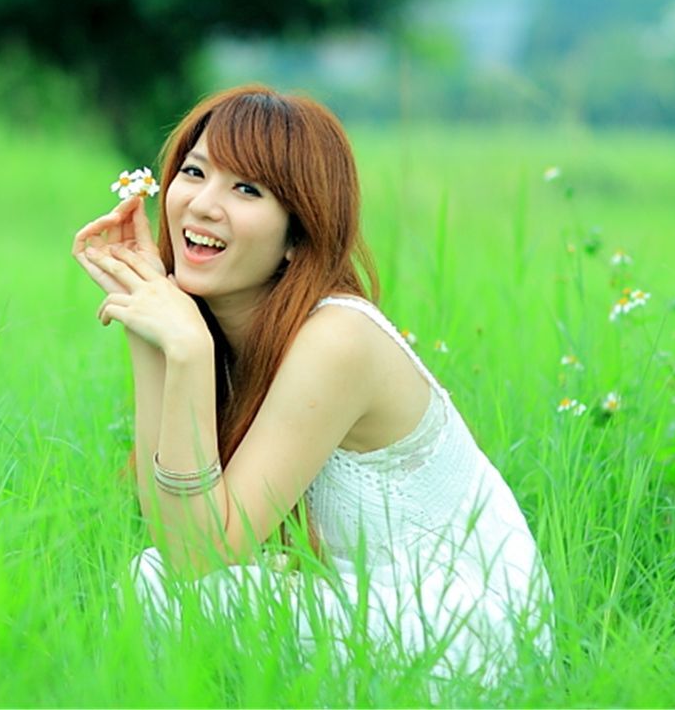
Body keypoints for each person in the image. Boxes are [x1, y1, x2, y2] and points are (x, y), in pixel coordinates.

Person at [72, 85, 551, 684]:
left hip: (464, 628)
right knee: (153, 579)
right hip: (364, 600)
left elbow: (200, 559)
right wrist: (147, 324)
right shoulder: (215, 332)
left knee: (170, 595)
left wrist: (186, 351)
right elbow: (176, 538)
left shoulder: (337, 339)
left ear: (299, 236)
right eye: (195, 173)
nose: (202, 204)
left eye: (248, 189)